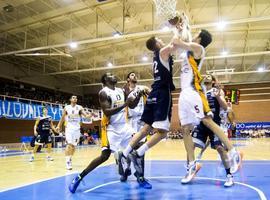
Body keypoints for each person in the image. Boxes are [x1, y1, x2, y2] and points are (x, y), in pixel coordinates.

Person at [170, 16, 242, 183]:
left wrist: (178, 29)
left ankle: (232, 151)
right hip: (184, 93)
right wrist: (182, 28)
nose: (194, 35)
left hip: (194, 91)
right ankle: (192, 164)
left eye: (196, 34)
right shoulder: (190, 48)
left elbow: (176, 41)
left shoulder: (199, 49)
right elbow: (178, 42)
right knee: (185, 129)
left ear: (200, 38)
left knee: (207, 121)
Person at [68, 72, 142, 193]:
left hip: (124, 125)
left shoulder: (120, 90)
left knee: (137, 144)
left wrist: (138, 96)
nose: (114, 75)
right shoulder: (104, 92)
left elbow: (132, 106)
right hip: (110, 126)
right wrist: (126, 103)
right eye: (111, 75)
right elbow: (107, 112)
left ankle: (128, 167)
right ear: (105, 80)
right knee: (104, 156)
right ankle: (79, 177)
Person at [118, 36, 176, 186]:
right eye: (160, 39)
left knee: (145, 129)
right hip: (162, 92)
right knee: (163, 132)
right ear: (157, 44)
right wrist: (180, 28)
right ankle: (138, 153)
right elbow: (175, 43)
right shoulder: (162, 51)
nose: (163, 40)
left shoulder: (156, 56)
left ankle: (124, 153)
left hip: (154, 91)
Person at [191, 74, 234, 187]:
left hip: (214, 123)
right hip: (202, 123)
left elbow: (225, 107)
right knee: (191, 145)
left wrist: (218, 97)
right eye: (205, 75)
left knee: (220, 149)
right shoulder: (199, 92)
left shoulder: (217, 91)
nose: (206, 76)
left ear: (213, 81)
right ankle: (190, 170)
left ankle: (229, 175)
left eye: (209, 76)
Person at [121, 72, 151, 185]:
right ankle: (126, 170)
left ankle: (140, 174)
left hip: (141, 121)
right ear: (128, 79)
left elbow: (151, 93)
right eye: (132, 75)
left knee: (141, 148)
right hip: (129, 121)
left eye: (135, 75)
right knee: (128, 148)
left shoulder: (141, 88)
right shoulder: (123, 91)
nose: (135, 76)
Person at [56, 95, 92, 170]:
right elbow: (62, 118)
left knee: (73, 147)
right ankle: (68, 162)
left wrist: (89, 116)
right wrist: (59, 126)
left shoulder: (79, 107)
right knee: (69, 145)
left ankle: (69, 157)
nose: (75, 99)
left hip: (77, 129)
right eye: (73, 97)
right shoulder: (66, 108)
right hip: (68, 128)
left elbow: (85, 115)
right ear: (70, 99)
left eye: (76, 98)